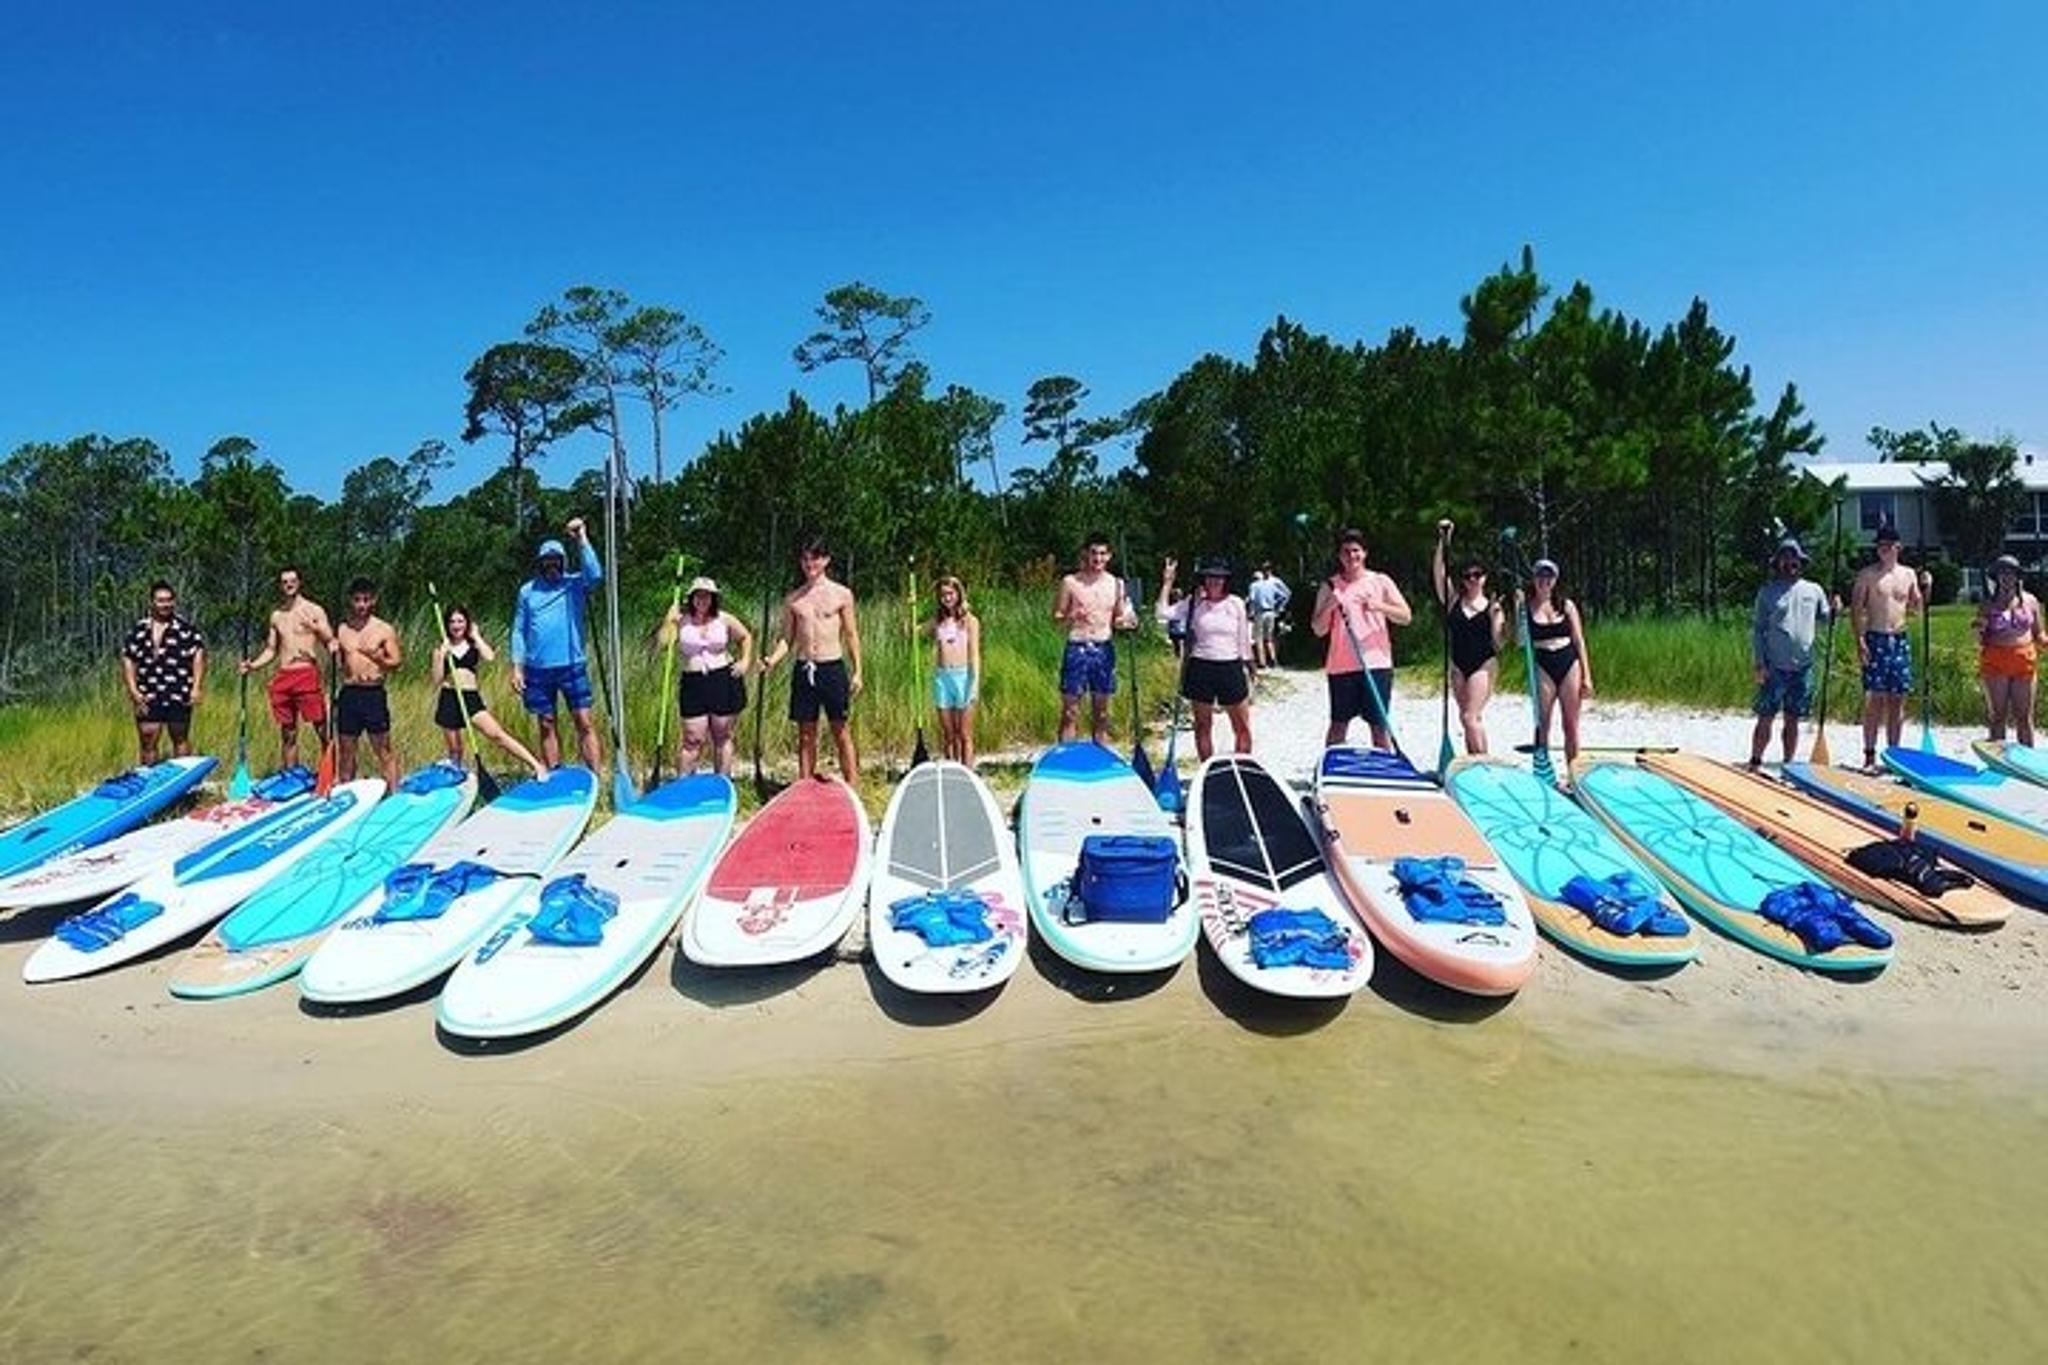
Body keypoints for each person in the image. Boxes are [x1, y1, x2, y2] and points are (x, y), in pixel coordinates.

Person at [758, 537, 863, 781]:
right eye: (805, 558)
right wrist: (772, 660)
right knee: (806, 733)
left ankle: (853, 786)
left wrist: (858, 670)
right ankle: (805, 786)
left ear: (825, 560)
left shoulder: (842, 594)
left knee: (840, 730)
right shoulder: (794, 599)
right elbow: (787, 638)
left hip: (832, 668)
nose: (809, 563)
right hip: (804, 669)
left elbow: (851, 634)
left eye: (814, 558)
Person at [509, 518, 606, 773]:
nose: (552, 565)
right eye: (547, 561)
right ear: (540, 564)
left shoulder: (574, 584)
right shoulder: (527, 591)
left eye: (556, 560)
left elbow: (595, 574)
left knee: (584, 721)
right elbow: (518, 630)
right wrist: (517, 667)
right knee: (546, 722)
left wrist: (582, 538)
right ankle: (555, 773)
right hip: (537, 669)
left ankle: (594, 776)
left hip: (572, 665)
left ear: (563, 562)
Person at [1311, 528, 1413, 749]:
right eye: (1346, 551)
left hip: (1376, 663)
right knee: (1339, 724)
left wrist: (1379, 606)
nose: (1351, 556)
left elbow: (1405, 616)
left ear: (1364, 553)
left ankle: (1385, 771)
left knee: (1378, 725)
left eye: (1356, 551)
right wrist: (1329, 607)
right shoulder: (1329, 586)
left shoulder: (1380, 581)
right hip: (1341, 665)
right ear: (1339, 556)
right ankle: (1331, 768)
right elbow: (1318, 629)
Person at [433, 606, 547, 781]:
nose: (456, 625)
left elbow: (490, 657)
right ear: (447, 624)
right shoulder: (441, 647)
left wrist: (476, 636)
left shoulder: (473, 644)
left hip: (471, 697)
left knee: (497, 734)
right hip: (449, 697)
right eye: (452, 622)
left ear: (467, 623)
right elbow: (437, 680)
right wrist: (441, 656)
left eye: (460, 621)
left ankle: (537, 765)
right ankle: (456, 781)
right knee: (455, 749)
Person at [1157, 556, 1255, 759]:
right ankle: (1207, 769)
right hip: (1201, 666)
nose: (1214, 582)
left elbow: (1244, 638)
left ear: (1226, 580)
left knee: (1242, 726)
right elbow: (1163, 613)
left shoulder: (1235, 603)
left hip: (1230, 665)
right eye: (1210, 577)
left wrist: (1249, 665)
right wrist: (1167, 582)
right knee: (1202, 725)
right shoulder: (1194, 603)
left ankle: (1243, 767)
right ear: (1204, 579)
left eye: (1219, 578)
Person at [1748, 538, 1833, 769]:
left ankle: (1788, 763)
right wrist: (1759, 663)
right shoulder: (1767, 593)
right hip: (1774, 666)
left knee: (1793, 718)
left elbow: (1826, 617)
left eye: (1793, 559)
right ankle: (1755, 761)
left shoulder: (1814, 590)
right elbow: (1758, 630)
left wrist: (1836, 608)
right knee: (1766, 715)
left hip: (1802, 666)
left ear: (1800, 561)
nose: (1790, 563)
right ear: (1778, 563)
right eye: (1784, 559)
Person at [239, 567, 336, 771]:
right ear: (280, 586)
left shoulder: (314, 610)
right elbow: (271, 649)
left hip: (306, 673)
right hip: (284, 676)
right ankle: (291, 775)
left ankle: (331, 772)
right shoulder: (277, 615)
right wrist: (253, 665)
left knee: (321, 728)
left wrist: (321, 633)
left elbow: (330, 639)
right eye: (284, 582)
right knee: (288, 732)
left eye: (292, 580)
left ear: (299, 582)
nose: (289, 585)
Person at [1850, 524, 1927, 772]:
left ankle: (1894, 754)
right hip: (1876, 637)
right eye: (1880, 546)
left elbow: (1917, 608)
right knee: (1875, 699)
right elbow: (1856, 610)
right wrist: (1860, 641)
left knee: (1898, 700)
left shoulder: (1909, 574)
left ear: (1897, 548)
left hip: (1900, 639)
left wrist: (1927, 587)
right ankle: (1870, 755)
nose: (1883, 550)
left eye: (1888, 546)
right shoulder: (1867, 575)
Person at [1052, 532, 1139, 745]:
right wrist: (1071, 616)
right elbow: (1056, 618)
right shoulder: (1071, 582)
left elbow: (1118, 618)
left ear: (1109, 556)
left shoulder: (1116, 584)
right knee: (1070, 711)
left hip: (1104, 648)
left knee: (1101, 713)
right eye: (1093, 553)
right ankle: (1066, 758)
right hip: (1077, 646)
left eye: (1102, 554)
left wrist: (1127, 622)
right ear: (1085, 554)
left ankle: (1101, 756)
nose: (1097, 559)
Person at [663, 576, 754, 776]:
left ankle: (722, 783)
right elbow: (663, 642)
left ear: (713, 598)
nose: (702, 600)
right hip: (693, 682)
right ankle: (682, 787)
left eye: (707, 596)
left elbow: (745, 636)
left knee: (723, 735)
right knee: (692, 739)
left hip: (723, 679)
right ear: (691, 598)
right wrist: (668, 619)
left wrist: (745, 661)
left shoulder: (724, 618)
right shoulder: (681, 620)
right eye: (698, 595)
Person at [1430, 521, 1504, 755]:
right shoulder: (1453, 601)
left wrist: (1495, 620)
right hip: (1458, 665)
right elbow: (1438, 572)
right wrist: (1444, 541)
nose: (1472, 579)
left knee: (1470, 717)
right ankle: (1474, 759)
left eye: (1477, 575)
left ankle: (1484, 760)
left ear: (1484, 578)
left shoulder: (1493, 606)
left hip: (1483, 663)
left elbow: (1499, 643)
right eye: (1468, 575)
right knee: (1467, 718)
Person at [1510, 557, 1593, 763]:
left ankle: (1573, 772)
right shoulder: (1526, 607)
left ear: (1555, 580)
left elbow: (1579, 640)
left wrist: (1587, 676)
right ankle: (1543, 769)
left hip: (1568, 661)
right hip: (1543, 664)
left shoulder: (1566, 605)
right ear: (1534, 579)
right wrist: (1516, 608)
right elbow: (1520, 641)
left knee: (1571, 724)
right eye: (1540, 575)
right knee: (1542, 723)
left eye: (1549, 576)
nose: (1544, 580)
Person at [120, 580, 207, 764]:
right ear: (152, 602)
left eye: (168, 600)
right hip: (148, 691)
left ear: (174, 601)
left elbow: (198, 655)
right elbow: (129, 659)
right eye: (160, 600)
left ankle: (183, 784)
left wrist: (196, 687)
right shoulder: (139, 629)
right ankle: (149, 783)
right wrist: (133, 691)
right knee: (148, 737)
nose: (165, 604)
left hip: (178, 689)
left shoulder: (185, 629)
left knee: (180, 736)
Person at [334, 577, 402, 789]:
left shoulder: (384, 629)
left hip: (373, 693)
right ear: (351, 601)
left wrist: (377, 657)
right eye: (357, 600)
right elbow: (339, 665)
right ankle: (346, 791)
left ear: (373, 600)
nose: (361, 605)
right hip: (349, 693)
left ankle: (394, 792)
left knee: (383, 749)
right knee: (346, 749)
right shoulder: (342, 629)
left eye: (366, 600)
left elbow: (396, 662)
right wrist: (335, 654)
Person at [1974, 554, 2047, 746]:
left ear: (2017, 576)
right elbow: (1980, 637)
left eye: (2011, 573)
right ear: (1997, 577)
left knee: (2024, 716)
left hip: (2024, 661)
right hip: (1996, 661)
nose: (2007, 577)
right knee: (1998, 715)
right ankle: (1998, 762)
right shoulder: (1988, 604)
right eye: (2002, 573)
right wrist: (1978, 632)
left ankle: (2027, 761)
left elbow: (2039, 634)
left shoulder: (2031, 601)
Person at [930, 576, 981, 766]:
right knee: (949, 733)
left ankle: (967, 772)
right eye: (943, 594)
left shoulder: (970, 621)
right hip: (943, 678)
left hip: (964, 677)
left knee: (964, 734)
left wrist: (974, 681)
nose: (947, 598)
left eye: (950, 593)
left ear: (959, 594)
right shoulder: (938, 620)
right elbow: (912, 631)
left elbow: (975, 653)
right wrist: (911, 607)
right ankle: (951, 770)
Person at [1247, 562, 1292, 670]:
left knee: (1258, 638)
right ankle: (1273, 660)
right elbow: (1284, 595)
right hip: (1271, 612)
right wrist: (1279, 607)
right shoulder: (1272, 583)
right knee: (1269, 638)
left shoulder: (1254, 586)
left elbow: (1252, 599)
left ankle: (1262, 663)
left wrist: (1250, 612)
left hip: (1259, 613)